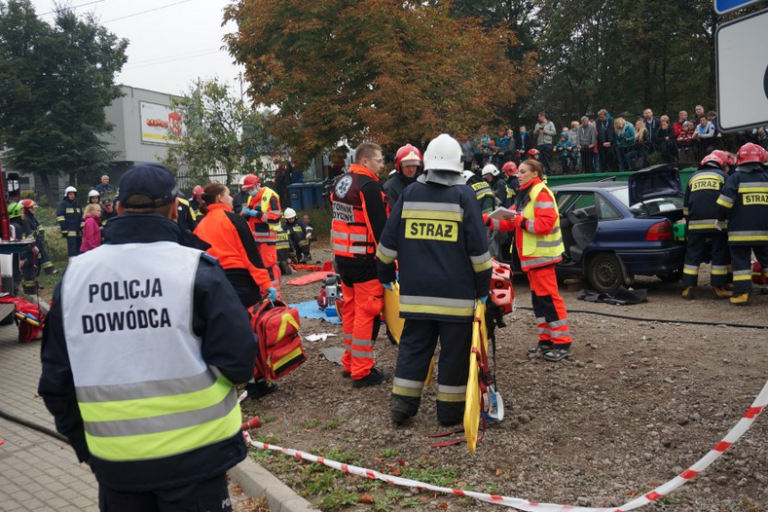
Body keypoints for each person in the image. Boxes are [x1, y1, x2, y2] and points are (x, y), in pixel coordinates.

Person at [39, 163, 256, 512]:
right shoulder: (198, 269)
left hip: (117, 469)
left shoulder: (75, 277)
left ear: (119, 209)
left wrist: (87, 448)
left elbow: (55, 379)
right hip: (196, 462)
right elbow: (240, 361)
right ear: (174, 210)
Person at [376, 133, 491, 426]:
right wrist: (483, 290)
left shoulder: (410, 193)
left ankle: (401, 407)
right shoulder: (464, 195)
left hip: (416, 297)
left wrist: (386, 275)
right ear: (458, 163)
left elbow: (387, 245)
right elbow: (479, 251)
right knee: (454, 355)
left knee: (413, 350)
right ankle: (450, 414)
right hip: (456, 300)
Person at [486, 160, 574, 361]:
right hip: (533, 260)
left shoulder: (540, 193)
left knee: (549, 300)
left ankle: (563, 343)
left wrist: (519, 221)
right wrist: (486, 220)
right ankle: (546, 341)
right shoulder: (526, 195)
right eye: (518, 172)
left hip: (541, 258)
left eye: (523, 172)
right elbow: (509, 222)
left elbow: (544, 224)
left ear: (535, 174)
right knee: (540, 302)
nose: (518, 175)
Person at [331, 142, 390, 387]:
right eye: (379, 160)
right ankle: (362, 371)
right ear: (366, 161)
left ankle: (350, 363)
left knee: (352, 311)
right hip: (364, 260)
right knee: (368, 312)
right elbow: (379, 229)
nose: (383, 164)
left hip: (343, 259)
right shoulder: (368, 186)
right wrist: (388, 261)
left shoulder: (341, 183)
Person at [194, 182, 276, 308]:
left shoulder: (200, 227)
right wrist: (266, 284)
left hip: (211, 285)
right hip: (239, 283)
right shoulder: (234, 220)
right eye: (228, 194)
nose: (232, 198)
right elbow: (251, 256)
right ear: (220, 198)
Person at [716, 142, 768, 305]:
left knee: (741, 263)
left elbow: (724, 204)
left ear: (740, 159)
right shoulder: (766, 178)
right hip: (764, 230)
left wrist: (720, 219)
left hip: (740, 232)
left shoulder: (735, 178)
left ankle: (742, 294)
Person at [681, 151, 735, 300]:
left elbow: (686, 206)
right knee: (719, 253)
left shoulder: (693, 177)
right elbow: (728, 200)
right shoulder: (724, 176)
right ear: (720, 164)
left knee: (692, 254)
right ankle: (719, 287)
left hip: (695, 224)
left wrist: (689, 221)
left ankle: (688, 288)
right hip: (717, 223)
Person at [241, 174, 282, 293]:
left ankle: (275, 299)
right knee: (258, 267)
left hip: (267, 239)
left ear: (258, 184)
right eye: (247, 189)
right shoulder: (251, 198)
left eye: (251, 188)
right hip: (255, 240)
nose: (249, 190)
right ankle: (264, 294)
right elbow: (250, 219)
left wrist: (256, 214)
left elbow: (275, 217)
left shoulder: (271, 196)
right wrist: (245, 214)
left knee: (269, 267)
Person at [19, 199, 57, 276]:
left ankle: (48, 271)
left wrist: (40, 237)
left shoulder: (32, 218)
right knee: (32, 261)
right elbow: (27, 234)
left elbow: (39, 228)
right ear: (25, 209)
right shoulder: (25, 220)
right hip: (30, 245)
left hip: (36, 242)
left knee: (40, 257)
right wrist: (33, 244)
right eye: (31, 208)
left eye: (34, 207)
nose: (34, 209)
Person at [384, 144, 423, 211]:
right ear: (399, 166)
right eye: (407, 165)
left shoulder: (423, 184)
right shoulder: (390, 189)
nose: (411, 169)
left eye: (414, 165)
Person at [56, 186, 83, 258]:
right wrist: (64, 229)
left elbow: (82, 217)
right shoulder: (63, 204)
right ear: (67, 195)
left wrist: (82, 227)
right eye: (70, 194)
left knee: (79, 250)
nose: (72, 195)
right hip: (70, 232)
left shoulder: (77, 205)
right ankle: (72, 265)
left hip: (78, 232)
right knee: (72, 251)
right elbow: (60, 217)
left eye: (73, 194)